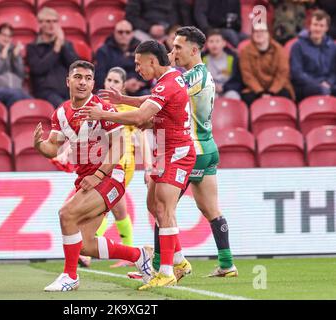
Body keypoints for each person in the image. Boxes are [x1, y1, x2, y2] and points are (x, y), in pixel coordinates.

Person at [99, 27, 238, 279]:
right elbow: (157, 97)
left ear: (194, 50)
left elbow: (161, 94)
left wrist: (163, 67)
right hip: (206, 145)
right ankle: (227, 264)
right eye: (171, 48)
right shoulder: (195, 75)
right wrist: (127, 99)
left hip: (189, 146)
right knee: (209, 210)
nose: (173, 52)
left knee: (161, 206)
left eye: (177, 48)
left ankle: (162, 265)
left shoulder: (190, 77)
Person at [83, 41, 196, 290]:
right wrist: (123, 98)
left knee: (165, 210)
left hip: (176, 153)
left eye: (138, 63)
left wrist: (105, 114)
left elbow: (139, 117)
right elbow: (150, 101)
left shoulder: (167, 83)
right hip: (164, 151)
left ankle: (166, 271)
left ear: (152, 61)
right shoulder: (170, 79)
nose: (136, 68)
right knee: (153, 206)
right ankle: (179, 261)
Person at [33, 60, 153, 292]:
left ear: (93, 83)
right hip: (88, 179)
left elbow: (119, 146)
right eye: (78, 77)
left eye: (88, 78)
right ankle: (140, 256)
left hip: (110, 176)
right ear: (68, 81)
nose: (83, 82)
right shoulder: (62, 113)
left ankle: (70, 276)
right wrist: (38, 145)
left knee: (66, 214)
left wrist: (98, 175)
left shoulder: (103, 108)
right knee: (86, 245)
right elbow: (53, 148)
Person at [81, 67, 153, 269]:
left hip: (122, 164)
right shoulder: (95, 106)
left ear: (121, 86)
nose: (111, 85)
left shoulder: (126, 109)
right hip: (102, 162)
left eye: (115, 82)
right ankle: (131, 254)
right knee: (117, 208)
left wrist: (148, 168)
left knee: (101, 205)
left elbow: (142, 139)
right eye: (109, 80)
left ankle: (86, 249)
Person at [27, 7, 79, 108]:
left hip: (68, 90)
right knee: (66, 109)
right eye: (48, 21)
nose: (52, 25)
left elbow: (75, 66)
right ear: (40, 24)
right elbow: (38, 69)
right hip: (46, 92)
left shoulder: (65, 44)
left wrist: (62, 45)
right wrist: (56, 49)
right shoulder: (33, 47)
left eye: (54, 21)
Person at [240, 23, 295, 106]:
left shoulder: (279, 50)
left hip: (277, 87)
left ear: (269, 34)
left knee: (285, 95)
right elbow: (248, 76)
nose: (259, 34)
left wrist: (272, 91)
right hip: (255, 88)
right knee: (247, 98)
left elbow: (282, 74)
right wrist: (260, 91)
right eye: (256, 31)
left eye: (262, 31)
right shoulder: (245, 51)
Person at [0, 23, 31, 108]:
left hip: (16, 90)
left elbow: (21, 75)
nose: (6, 39)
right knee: (16, 95)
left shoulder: (14, 51)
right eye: (4, 35)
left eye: (9, 36)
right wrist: (2, 59)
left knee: (33, 102)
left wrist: (15, 58)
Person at [290, 9, 336, 101]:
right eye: (315, 24)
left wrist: (328, 83)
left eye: (321, 26)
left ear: (326, 28)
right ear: (309, 26)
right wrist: (318, 84)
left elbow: (334, 72)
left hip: (327, 84)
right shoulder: (298, 45)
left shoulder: (332, 46)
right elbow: (297, 73)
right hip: (305, 86)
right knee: (321, 90)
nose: (318, 29)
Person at [95, 20, 148, 96]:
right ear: (114, 33)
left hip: (136, 90)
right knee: (101, 95)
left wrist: (138, 83)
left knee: (148, 96)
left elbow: (147, 72)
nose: (124, 35)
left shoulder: (141, 50)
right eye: (120, 32)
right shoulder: (103, 51)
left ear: (132, 34)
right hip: (111, 89)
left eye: (127, 32)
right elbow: (99, 78)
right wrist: (123, 85)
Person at [125, 0, 193, 43]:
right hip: (143, 32)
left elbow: (183, 15)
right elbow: (131, 16)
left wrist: (168, 29)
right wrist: (149, 28)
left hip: (169, 33)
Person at [202, 29, 242, 100]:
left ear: (224, 43)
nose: (214, 44)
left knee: (234, 96)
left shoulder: (233, 58)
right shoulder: (202, 59)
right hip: (209, 90)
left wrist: (224, 88)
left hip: (228, 89)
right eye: (211, 41)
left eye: (217, 41)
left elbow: (237, 81)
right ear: (207, 44)